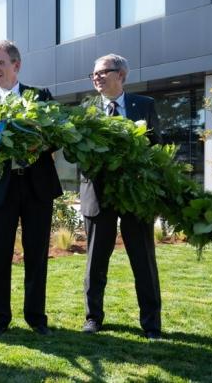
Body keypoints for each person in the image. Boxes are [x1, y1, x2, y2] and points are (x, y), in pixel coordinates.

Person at [0, 40, 63, 339]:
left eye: (0, 63)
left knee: (37, 255)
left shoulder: (40, 96)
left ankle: (36, 317)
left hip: (36, 186)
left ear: (16, 65)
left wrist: (37, 143)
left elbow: (57, 135)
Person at [81, 53, 162, 339]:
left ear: (122, 75)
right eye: (94, 73)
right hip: (98, 195)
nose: (97, 77)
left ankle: (151, 324)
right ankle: (93, 318)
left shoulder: (145, 106)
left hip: (134, 196)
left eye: (104, 72)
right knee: (95, 261)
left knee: (143, 261)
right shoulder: (86, 110)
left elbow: (156, 150)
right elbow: (76, 153)